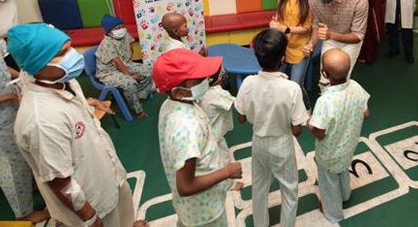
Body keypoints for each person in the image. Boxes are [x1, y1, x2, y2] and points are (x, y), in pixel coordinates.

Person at [7, 23, 147, 227]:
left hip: (110, 177)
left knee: (124, 215)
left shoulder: (65, 80)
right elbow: (60, 181)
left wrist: (88, 104)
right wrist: (90, 216)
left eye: (70, 47)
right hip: (93, 203)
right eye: (62, 53)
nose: (73, 55)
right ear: (37, 63)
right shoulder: (41, 120)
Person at [153, 49, 242, 227]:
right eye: (199, 80)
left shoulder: (171, 104)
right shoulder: (188, 128)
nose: (207, 80)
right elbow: (186, 186)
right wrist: (227, 172)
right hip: (204, 212)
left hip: (190, 209)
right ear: (178, 91)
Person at [234, 29, 308, 227]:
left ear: (257, 57)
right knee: (289, 189)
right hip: (282, 143)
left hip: (258, 142)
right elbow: (296, 130)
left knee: (259, 186)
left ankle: (260, 224)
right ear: (283, 58)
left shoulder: (248, 82)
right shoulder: (291, 88)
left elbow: (241, 117)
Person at [309, 49, 370, 223]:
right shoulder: (356, 86)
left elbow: (319, 133)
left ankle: (332, 212)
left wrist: (309, 125)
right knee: (343, 169)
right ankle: (345, 194)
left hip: (329, 154)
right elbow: (366, 114)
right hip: (349, 146)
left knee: (328, 183)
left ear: (324, 74)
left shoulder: (325, 101)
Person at [0, 40, 49, 224]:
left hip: (11, 111)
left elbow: (1, 68)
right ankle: (23, 212)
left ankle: (27, 185)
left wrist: (21, 78)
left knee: (23, 152)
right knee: (10, 165)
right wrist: (10, 96)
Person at [304, 0, 368, 88]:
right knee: (325, 81)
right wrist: (311, 44)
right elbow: (317, 23)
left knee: (340, 82)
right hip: (330, 38)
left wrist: (330, 35)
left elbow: (357, 36)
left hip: (351, 40)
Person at [269, 0, 313, 110]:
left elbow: (307, 28)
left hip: (300, 47)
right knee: (277, 80)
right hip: (282, 44)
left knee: (295, 84)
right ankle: (284, 108)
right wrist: (275, 23)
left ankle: (306, 109)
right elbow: (279, 13)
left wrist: (285, 29)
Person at [96, 15, 155, 119]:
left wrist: (131, 65)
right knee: (129, 82)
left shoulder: (125, 35)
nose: (121, 29)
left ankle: (138, 96)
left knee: (149, 70)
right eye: (117, 28)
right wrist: (130, 75)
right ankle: (138, 110)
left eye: (122, 26)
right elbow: (117, 62)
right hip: (109, 72)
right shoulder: (106, 43)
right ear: (110, 31)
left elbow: (130, 47)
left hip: (126, 64)